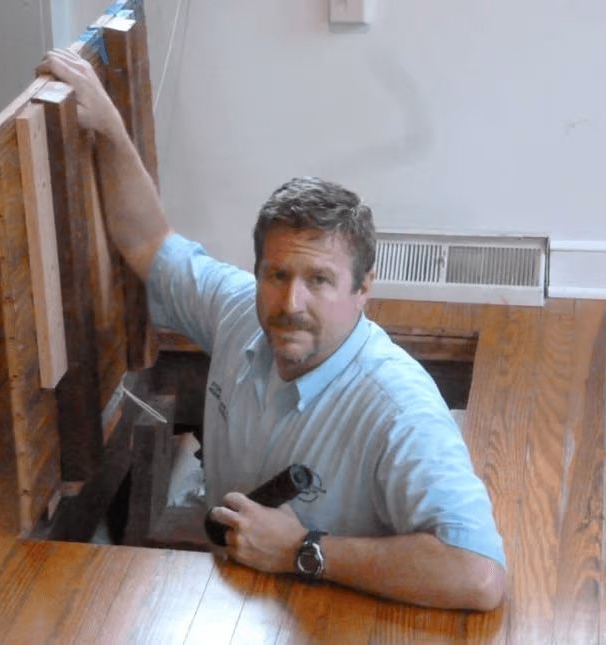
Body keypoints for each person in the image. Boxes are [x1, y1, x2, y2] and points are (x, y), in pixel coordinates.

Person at [39, 49, 506, 610]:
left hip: (338, 613)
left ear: (364, 289)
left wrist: (302, 551)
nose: (291, 302)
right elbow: (148, 243)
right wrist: (110, 130)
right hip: (239, 598)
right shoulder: (240, 314)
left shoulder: (399, 410)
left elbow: (479, 576)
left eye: (319, 280)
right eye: (277, 274)